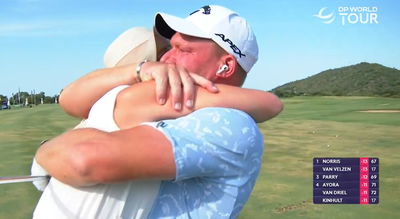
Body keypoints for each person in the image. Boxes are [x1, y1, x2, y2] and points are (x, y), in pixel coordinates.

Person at [33, 5, 283, 219]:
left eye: (183, 50)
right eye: (168, 49)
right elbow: (70, 100)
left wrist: (44, 151)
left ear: (225, 65)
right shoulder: (164, 102)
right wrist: (140, 70)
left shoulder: (231, 123)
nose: (166, 60)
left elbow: (83, 159)